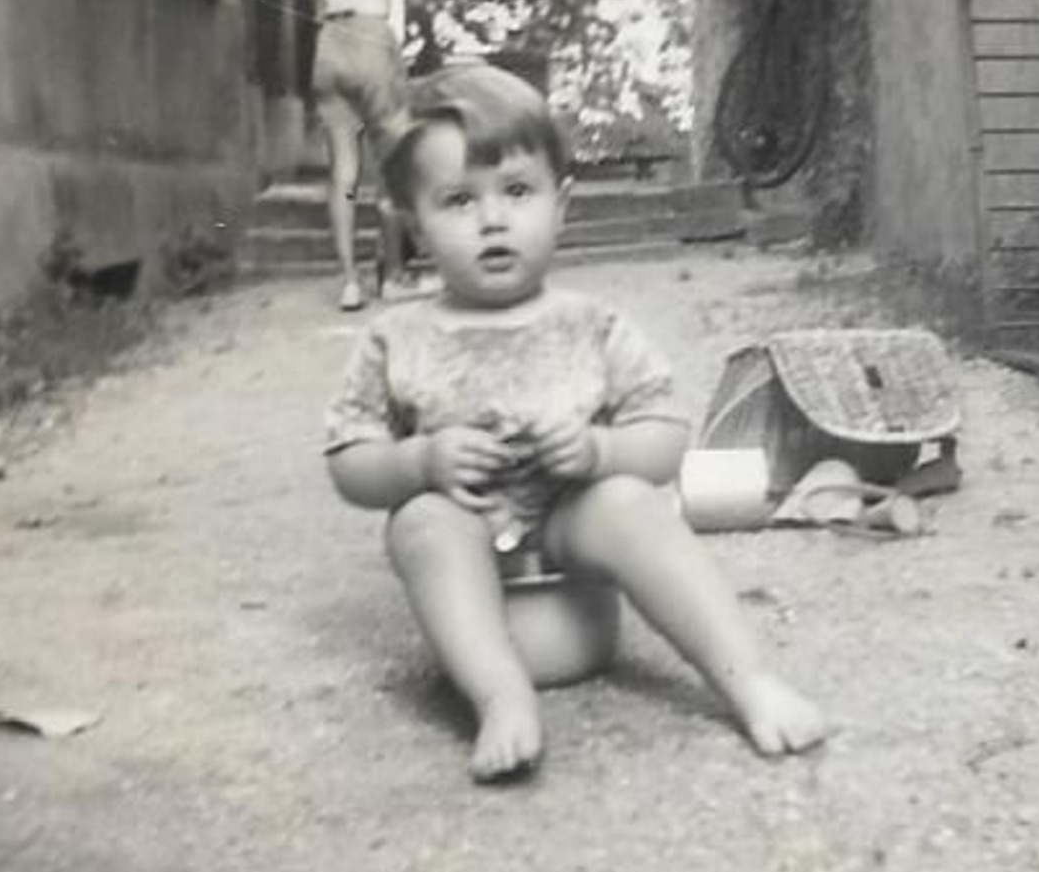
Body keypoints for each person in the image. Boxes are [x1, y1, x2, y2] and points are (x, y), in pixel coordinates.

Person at [323, 65, 827, 783]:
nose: (493, 219)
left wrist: (599, 450)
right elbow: (349, 458)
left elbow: (664, 435)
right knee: (420, 522)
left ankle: (746, 679)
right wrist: (419, 462)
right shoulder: (397, 336)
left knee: (628, 501)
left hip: (569, 538)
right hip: (472, 554)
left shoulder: (590, 326)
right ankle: (500, 696)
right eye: (459, 199)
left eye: (518, 192)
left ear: (560, 206)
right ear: (412, 221)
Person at [310, 0, 424, 311]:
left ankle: (349, 282)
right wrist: (419, 1)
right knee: (391, 162)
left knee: (344, 170)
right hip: (368, 40)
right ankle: (393, 276)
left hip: (329, 46)